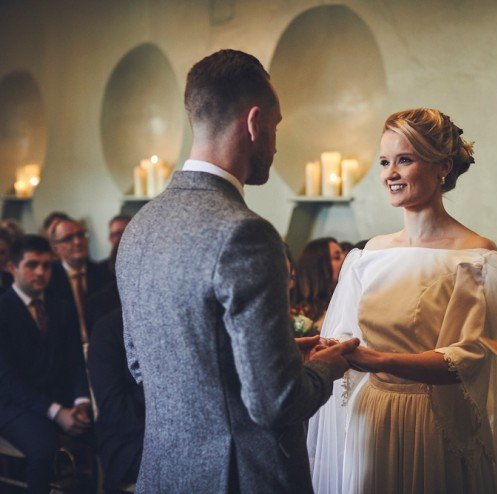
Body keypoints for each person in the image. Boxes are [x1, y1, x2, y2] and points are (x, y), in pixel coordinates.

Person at [116, 49, 358, 492]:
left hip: (165, 472)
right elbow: (275, 402)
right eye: (276, 125)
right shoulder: (245, 233)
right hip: (240, 475)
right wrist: (330, 365)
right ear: (254, 123)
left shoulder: (140, 225)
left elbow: (142, 364)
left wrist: (282, 356)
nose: (276, 141)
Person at [308, 108, 497, 493]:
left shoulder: (475, 257)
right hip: (371, 419)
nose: (389, 174)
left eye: (404, 160)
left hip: (434, 425)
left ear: (442, 166)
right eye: (384, 162)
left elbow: (467, 358)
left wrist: (377, 360)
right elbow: (344, 333)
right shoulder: (368, 255)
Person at [0, 235, 91, 494]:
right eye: (31, 265)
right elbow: (6, 379)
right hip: (12, 403)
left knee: (107, 430)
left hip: (59, 398)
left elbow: (75, 361)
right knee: (43, 448)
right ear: (12, 268)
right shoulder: (3, 310)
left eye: (47, 265)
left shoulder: (61, 307)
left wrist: (81, 401)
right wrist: (55, 412)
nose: (40, 272)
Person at [87, 307, 143, 489]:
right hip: (128, 440)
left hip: (174, 433)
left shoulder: (173, 320)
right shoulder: (108, 328)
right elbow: (115, 411)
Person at [48, 218, 114, 344]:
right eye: (68, 238)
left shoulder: (105, 275)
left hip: (101, 345)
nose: (77, 242)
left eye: (81, 235)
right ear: (55, 248)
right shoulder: (49, 280)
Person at [293, 237, 345, 330]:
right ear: (319, 266)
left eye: (344, 255)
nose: (345, 259)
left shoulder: (342, 304)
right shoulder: (299, 313)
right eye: (337, 257)